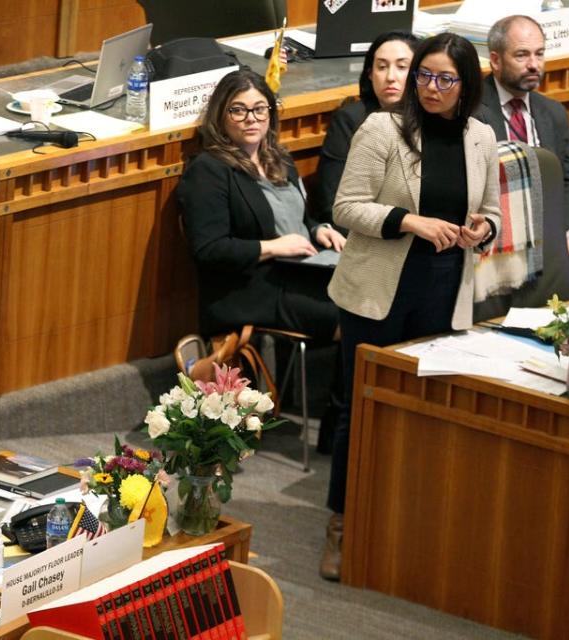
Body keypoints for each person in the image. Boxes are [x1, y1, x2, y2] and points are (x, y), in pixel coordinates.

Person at [321, 33, 502, 581]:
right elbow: (346, 206)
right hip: (379, 288)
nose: (430, 88)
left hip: (445, 286)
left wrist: (483, 227)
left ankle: (403, 521)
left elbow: (491, 210)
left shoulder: (482, 137)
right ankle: (342, 524)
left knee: (422, 406)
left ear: (467, 85)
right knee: (362, 407)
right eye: (425, 75)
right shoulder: (383, 128)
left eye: (446, 79)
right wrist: (408, 220)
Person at [176, 68, 345, 423]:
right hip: (248, 287)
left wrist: (319, 230)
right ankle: (340, 420)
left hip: (298, 270)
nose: (250, 118)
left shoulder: (277, 158)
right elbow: (209, 250)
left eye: (260, 109)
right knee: (353, 316)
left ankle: (343, 414)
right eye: (238, 110)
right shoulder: (208, 170)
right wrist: (272, 247)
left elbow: (298, 218)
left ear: (271, 112)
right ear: (221, 115)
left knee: (377, 296)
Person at [477, 14, 569, 280]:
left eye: (540, 54)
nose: (534, 65)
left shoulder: (552, 112)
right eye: (522, 55)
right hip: (500, 238)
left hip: (552, 231)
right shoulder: (472, 111)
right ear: (496, 60)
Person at [316, 31, 419, 226]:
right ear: (370, 74)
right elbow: (331, 203)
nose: (390, 77)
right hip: (367, 234)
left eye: (402, 67)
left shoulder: (431, 117)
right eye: (381, 67)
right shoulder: (350, 121)